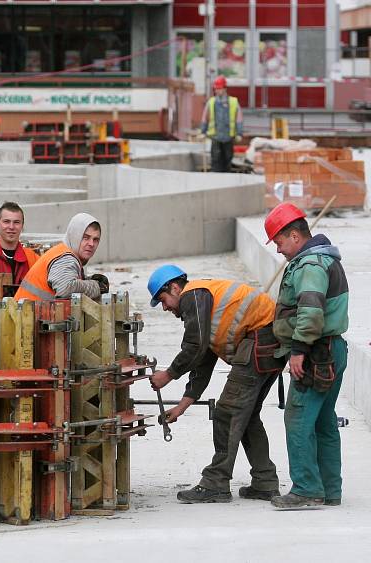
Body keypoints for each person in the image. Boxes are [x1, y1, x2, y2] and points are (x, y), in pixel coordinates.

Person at [147, 265, 285, 504]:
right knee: (248, 415)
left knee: (227, 413)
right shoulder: (205, 302)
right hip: (268, 344)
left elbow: (195, 346)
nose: (166, 307)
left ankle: (216, 483)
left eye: (163, 299)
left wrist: (168, 374)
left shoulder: (193, 296)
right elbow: (203, 359)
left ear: (175, 287)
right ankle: (265, 482)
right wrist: (181, 407)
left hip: (259, 342)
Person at [263, 202, 349, 509]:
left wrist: (298, 350)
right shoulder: (323, 259)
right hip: (331, 350)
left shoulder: (310, 265)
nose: (279, 249)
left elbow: (311, 312)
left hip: (316, 353)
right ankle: (329, 489)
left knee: (298, 419)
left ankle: (307, 489)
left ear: (294, 235)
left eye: (279, 241)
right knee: (324, 421)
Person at [14, 212, 108, 301]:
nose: (91, 244)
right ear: (74, 236)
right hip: (24, 316)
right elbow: (65, 289)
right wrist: (96, 287)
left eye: (95, 239)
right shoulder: (65, 258)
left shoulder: (62, 252)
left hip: (27, 314)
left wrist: (87, 280)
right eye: (85, 237)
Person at [200, 75, 243, 173]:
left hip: (229, 137)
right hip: (216, 137)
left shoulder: (233, 102)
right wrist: (203, 131)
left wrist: (239, 133)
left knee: (227, 161)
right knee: (216, 161)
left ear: (224, 89)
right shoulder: (211, 102)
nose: (217, 91)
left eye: (219, 89)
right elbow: (205, 118)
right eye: (216, 89)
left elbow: (239, 119)